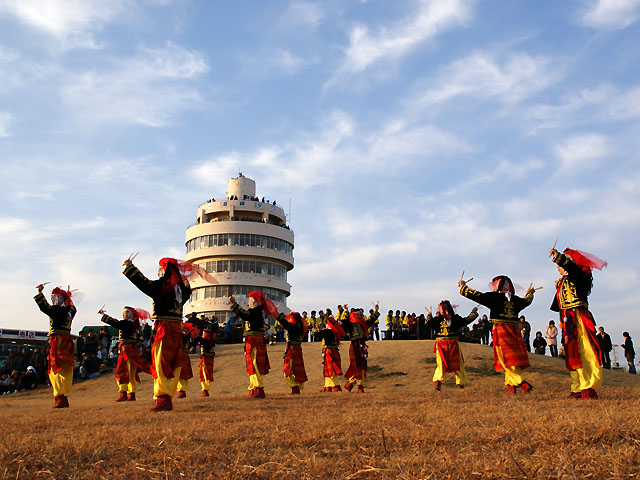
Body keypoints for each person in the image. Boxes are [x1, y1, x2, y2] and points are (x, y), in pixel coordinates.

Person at [123, 256, 215, 412]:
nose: (158, 272)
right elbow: (186, 289)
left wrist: (130, 267)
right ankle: (166, 396)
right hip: (176, 329)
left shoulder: (163, 287)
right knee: (172, 362)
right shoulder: (181, 290)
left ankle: (163, 398)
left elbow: (144, 284)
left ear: (164, 270)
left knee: (161, 362)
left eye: (160, 269)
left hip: (163, 329)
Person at [459, 276, 535, 395]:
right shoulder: (515, 299)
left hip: (501, 329)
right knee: (512, 358)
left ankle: (521, 382)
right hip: (514, 331)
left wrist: (463, 287)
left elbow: (477, 295)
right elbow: (527, 301)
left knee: (504, 357)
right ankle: (511, 386)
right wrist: (530, 293)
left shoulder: (494, 297)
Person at [550, 247, 606, 399]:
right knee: (571, 353)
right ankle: (577, 387)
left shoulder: (579, 276)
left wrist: (559, 257)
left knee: (584, 351)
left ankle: (588, 387)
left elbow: (572, 269)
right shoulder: (562, 282)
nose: (558, 267)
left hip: (579, 318)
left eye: (561, 264)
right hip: (567, 321)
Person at [34, 284, 77, 408]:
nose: (53, 300)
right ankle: (64, 396)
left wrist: (39, 293)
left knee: (55, 368)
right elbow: (73, 308)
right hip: (67, 340)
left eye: (55, 298)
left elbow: (45, 307)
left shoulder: (57, 310)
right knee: (66, 370)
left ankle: (60, 397)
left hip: (57, 341)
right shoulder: (71, 311)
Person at [99, 306, 152, 402]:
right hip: (128, 350)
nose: (124, 314)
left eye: (127, 313)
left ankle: (125, 393)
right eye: (123, 313)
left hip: (127, 350)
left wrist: (104, 315)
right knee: (129, 372)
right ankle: (129, 394)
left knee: (124, 371)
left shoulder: (127, 324)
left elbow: (116, 323)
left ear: (131, 315)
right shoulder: (132, 325)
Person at [229, 291, 275, 398]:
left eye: (250, 301)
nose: (248, 303)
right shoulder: (257, 312)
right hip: (251, 339)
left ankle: (258, 387)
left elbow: (246, 315)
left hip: (254, 339)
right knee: (251, 365)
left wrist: (234, 304)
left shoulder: (256, 312)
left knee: (255, 364)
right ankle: (253, 387)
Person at [426, 301, 478, 390]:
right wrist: (429, 316)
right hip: (441, 344)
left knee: (457, 364)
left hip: (453, 344)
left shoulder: (455, 318)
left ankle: (461, 384)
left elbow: (466, 321)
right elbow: (429, 324)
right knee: (440, 364)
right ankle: (438, 382)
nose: (440, 310)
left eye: (442, 308)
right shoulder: (437, 319)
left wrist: (473, 312)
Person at [342, 305, 380, 393]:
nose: (360, 315)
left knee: (362, 366)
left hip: (362, 346)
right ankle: (357, 386)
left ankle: (353, 385)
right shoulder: (350, 325)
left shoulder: (363, 324)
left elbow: (372, 320)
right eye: (358, 314)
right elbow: (344, 323)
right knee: (356, 366)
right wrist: (346, 311)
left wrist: (376, 310)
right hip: (355, 345)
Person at [275, 311, 308, 394]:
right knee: (297, 369)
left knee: (287, 370)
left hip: (291, 349)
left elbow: (285, 324)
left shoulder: (292, 326)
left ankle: (295, 387)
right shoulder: (300, 326)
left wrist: (278, 316)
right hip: (297, 348)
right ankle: (297, 387)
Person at [314, 315, 347, 392]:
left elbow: (317, 335)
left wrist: (316, 329)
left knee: (331, 369)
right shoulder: (336, 331)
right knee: (330, 369)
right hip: (334, 351)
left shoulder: (327, 331)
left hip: (329, 351)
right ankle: (327, 386)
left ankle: (335, 386)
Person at [196, 319, 218, 397]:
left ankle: (205, 390)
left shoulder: (204, 341)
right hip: (210, 357)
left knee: (203, 374)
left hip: (204, 358)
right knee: (207, 374)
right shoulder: (212, 340)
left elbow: (199, 339)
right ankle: (205, 390)